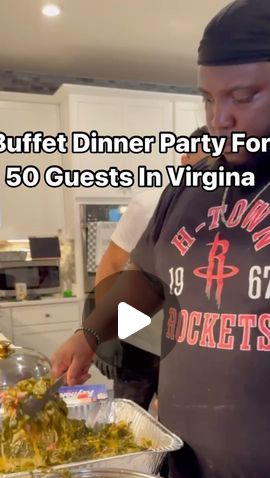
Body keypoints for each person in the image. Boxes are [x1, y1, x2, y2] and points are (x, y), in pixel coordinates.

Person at [52, 0, 270, 478]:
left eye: (243, 97)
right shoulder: (198, 168)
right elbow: (149, 275)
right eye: (207, 100)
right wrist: (92, 333)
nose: (221, 120)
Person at [94, 128, 208, 410]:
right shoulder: (149, 202)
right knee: (129, 421)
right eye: (203, 160)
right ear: (185, 160)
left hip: (191, 343)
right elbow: (112, 263)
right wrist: (104, 332)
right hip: (140, 339)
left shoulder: (230, 204)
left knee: (181, 422)